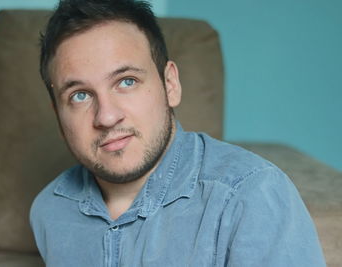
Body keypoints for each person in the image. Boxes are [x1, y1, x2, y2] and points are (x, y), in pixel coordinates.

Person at [30, 0, 326, 266]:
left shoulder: (251, 195)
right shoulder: (50, 210)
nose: (107, 116)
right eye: (80, 96)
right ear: (58, 114)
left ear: (170, 84)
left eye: (127, 81)